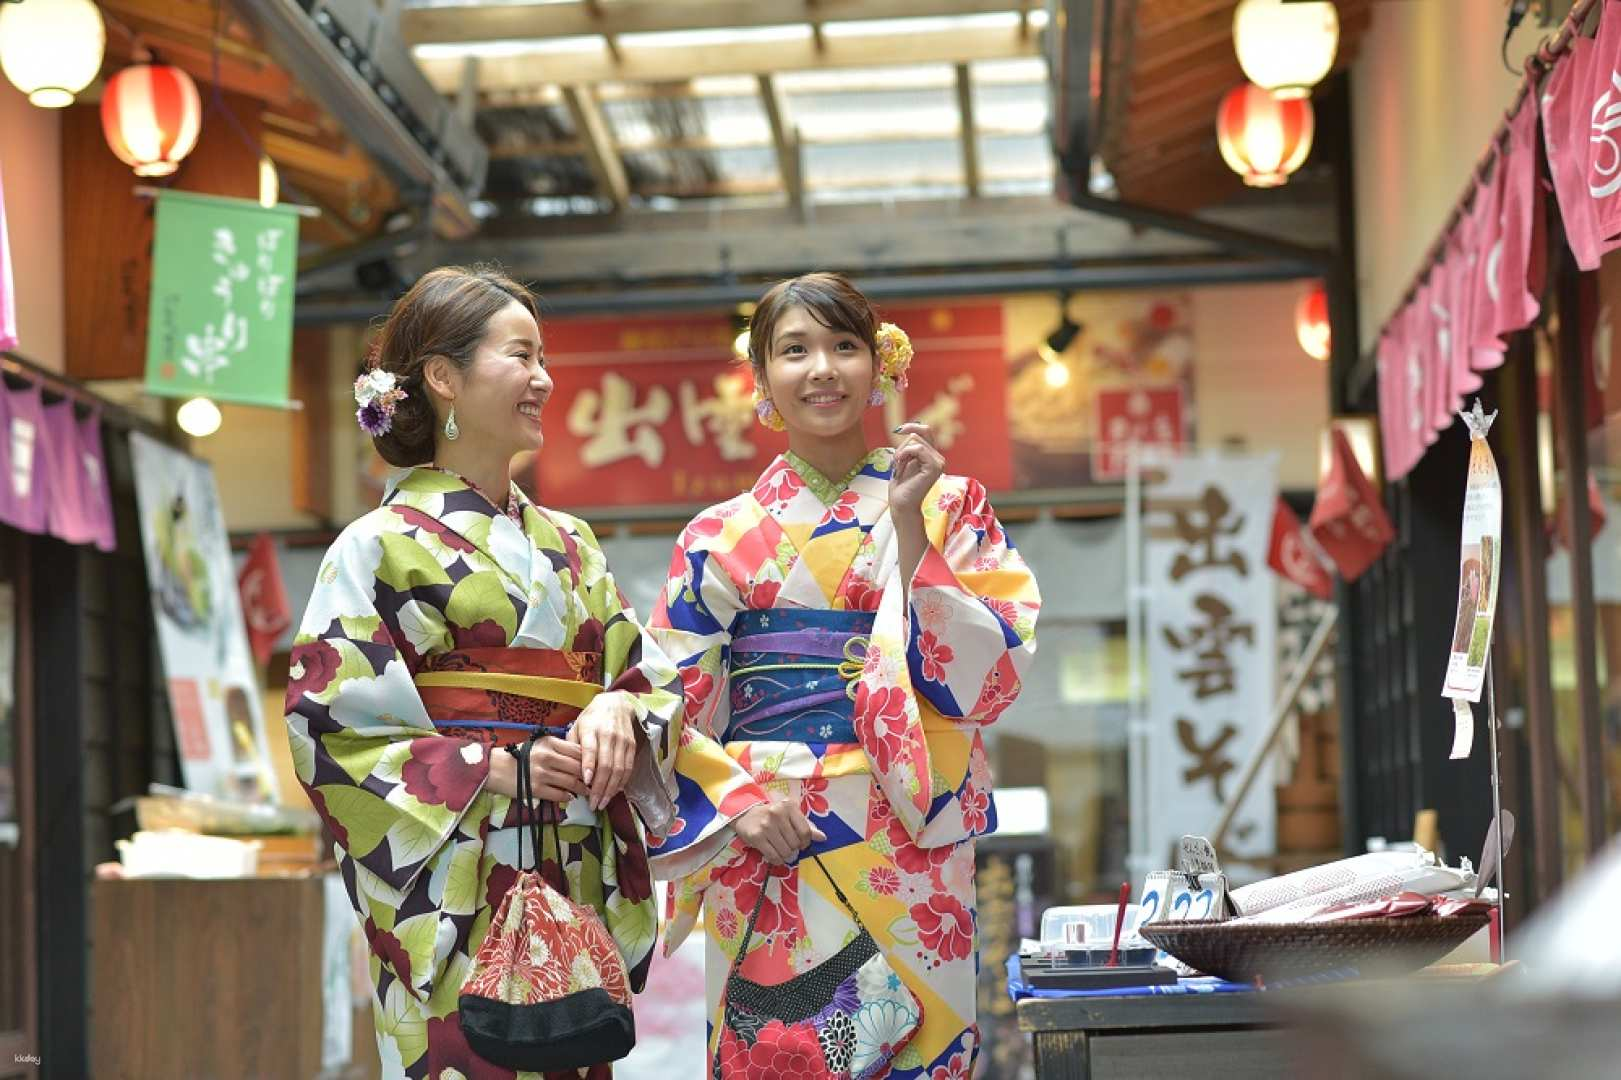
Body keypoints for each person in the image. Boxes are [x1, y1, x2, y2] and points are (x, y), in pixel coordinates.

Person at [284, 266, 682, 1080]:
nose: (544, 378)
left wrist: (615, 709)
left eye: (543, 357)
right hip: (455, 875)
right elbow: (329, 726)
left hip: (568, 860)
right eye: (521, 355)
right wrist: (493, 767)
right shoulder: (375, 544)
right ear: (443, 378)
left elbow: (650, 683)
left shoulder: (571, 544)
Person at [647, 272, 1040, 1078]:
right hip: (774, 830)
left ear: (881, 366)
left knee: (921, 1052)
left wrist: (906, 522)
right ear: (760, 379)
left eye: (843, 346)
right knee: (780, 1053)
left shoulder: (947, 503)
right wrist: (739, 804)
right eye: (794, 351)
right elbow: (667, 697)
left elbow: (990, 670)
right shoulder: (714, 535)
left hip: (909, 826)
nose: (821, 368)